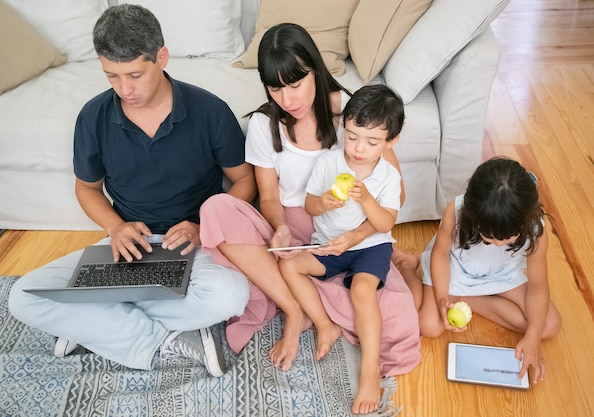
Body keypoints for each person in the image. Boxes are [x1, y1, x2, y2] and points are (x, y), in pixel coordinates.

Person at [7, 4, 255, 377]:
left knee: (232, 295)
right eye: (112, 77)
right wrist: (115, 226)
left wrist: (202, 227)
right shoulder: (93, 117)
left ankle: (91, 324)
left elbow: (245, 180)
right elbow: (87, 188)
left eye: (135, 75)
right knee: (23, 297)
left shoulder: (209, 111)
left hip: (193, 246)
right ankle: (165, 341)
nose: (125, 89)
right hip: (126, 248)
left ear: (161, 57)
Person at [199, 23, 420, 378]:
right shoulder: (263, 123)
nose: (289, 99)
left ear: (314, 70)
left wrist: (355, 238)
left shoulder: (350, 116)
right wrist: (281, 229)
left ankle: (299, 291)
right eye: (276, 88)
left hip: (343, 238)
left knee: (399, 321)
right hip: (291, 235)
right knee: (216, 209)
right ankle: (297, 310)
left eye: (296, 84)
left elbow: (396, 192)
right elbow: (268, 195)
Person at [278, 84, 404, 415]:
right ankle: (324, 323)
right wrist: (324, 202)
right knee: (289, 266)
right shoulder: (329, 162)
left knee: (363, 291)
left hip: (370, 247)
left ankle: (369, 371)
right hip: (329, 244)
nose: (359, 148)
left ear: (391, 142)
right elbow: (309, 205)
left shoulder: (387, 176)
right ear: (343, 127)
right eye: (352, 136)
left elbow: (386, 223)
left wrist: (367, 200)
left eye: (372, 142)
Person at [415, 156, 562, 384]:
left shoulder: (535, 231)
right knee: (430, 325)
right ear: (473, 212)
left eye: (507, 238)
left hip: (502, 275)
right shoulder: (457, 210)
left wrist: (533, 337)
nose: (499, 243)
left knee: (550, 325)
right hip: (457, 268)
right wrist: (443, 297)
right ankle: (439, 284)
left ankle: (466, 298)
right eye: (490, 236)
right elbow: (440, 254)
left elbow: (537, 285)